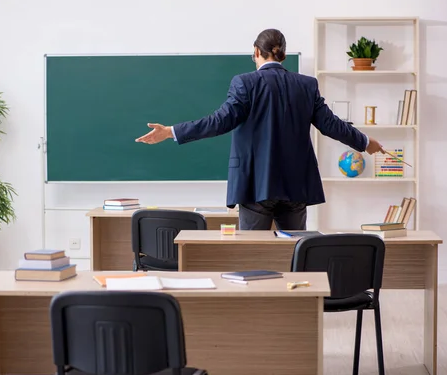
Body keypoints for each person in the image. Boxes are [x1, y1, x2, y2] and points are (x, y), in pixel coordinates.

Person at [135, 28, 385, 230]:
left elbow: (220, 121)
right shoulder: (306, 85)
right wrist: (364, 142)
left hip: (255, 185)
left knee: (252, 257)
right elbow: (331, 124)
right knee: (294, 255)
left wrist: (171, 131)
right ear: (283, 55)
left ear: (256, 51)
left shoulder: (244, 83)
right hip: (295, 187)